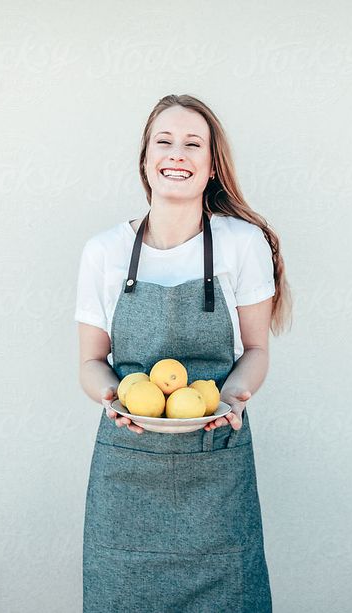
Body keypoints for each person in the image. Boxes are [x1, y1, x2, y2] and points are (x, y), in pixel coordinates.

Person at [75, 94, 292, 613]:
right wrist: (112, 397)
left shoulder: (243, 243)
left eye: (193, 143)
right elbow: (90, 361)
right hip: (126, 468)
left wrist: (233, 398)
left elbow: (257, 349)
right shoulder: (103, 251)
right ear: (146, 160)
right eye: (164, 142)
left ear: (212, 165)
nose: (178, 153)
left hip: (216, 461)